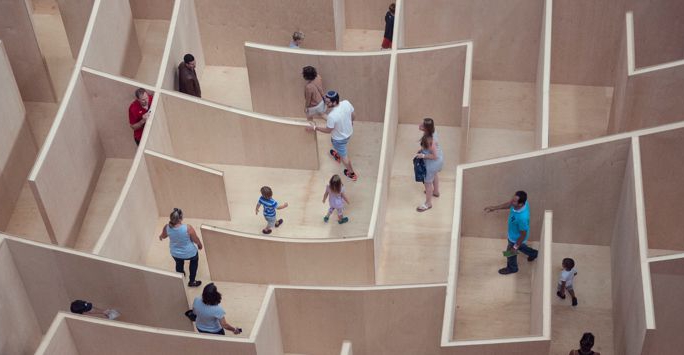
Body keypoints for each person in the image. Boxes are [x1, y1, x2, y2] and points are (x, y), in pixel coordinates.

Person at [306, 91, 358, 181]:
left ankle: (352, 174)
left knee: (344, 157)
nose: (326, 103)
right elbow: (353, 116)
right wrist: (350, 123)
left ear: (334, 102)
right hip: (349, 133)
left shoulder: (332, 116)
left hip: (339, 140)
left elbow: (328, 130)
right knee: (340, 149)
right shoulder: (346, 103)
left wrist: (314, 128)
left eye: (328, 102)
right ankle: (338, 154)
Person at [484, 191, 538, 275]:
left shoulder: (522, 218)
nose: (511, 202)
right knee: (522, 248)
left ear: (520, 204)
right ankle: (534, 253)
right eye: (513, 199)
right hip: (514, 236)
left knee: (510, 254)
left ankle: (512, 268)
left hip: (516, 239)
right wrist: (494, 208)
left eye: (514, 201)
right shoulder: (522, 203)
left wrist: (515, 246)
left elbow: (523, 234)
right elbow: (509, 204)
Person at [158, 208, 203, 287]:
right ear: (180, 218)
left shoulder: (167, 227)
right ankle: (192, 281)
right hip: (190, 253)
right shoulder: (188, 228)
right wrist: (199, 244)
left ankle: (180, 277)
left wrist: (160, 237)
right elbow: (195, 239)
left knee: (179, 263)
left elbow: (163, 236)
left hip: (175, 253)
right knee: (194, 261)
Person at [414, 118, 443, 212]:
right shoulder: (432, 132)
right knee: (434, 175)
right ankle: (436, 192)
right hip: (438, 161)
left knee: (427, 183)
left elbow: (434, 156)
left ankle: (428, 203)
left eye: (422, 125)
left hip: (433, 163)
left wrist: (423, 155)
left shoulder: (429, 140)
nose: (419, 125)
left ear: (426, 128)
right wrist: (423, 151)